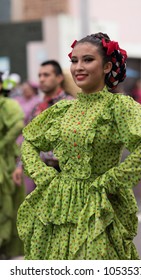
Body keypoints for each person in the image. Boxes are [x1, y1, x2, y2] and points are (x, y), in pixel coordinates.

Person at [17, 32, 141, 260]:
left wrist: (112, 180)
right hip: (59, 202)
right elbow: (29, 142)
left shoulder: (118, 106)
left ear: (107, 66)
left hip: (99, 204)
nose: (78, 67)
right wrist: (44, 176)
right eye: (74, 60)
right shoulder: (63, 110)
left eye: (88, 60)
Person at [13, 60, 75, 191]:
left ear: (59, 78)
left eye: (46, 75)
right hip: (41, 174)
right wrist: (19, 166)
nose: (41, 79)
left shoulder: (71, 105)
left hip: (66, 174)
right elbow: (28, 138)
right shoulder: (37, 108)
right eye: (39, 75)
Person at [0, 72, 25, 259]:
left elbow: (18, 125)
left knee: (8, 206)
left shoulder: (9, 105)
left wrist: (2, 144)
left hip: (6, 163)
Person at [12, 81, 41, 194]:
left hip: (28, 135)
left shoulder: (37, 101)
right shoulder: (18, 100)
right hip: (16, 136)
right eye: (23, 89)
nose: (25, 91)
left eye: (27, 88)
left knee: (26, 165)